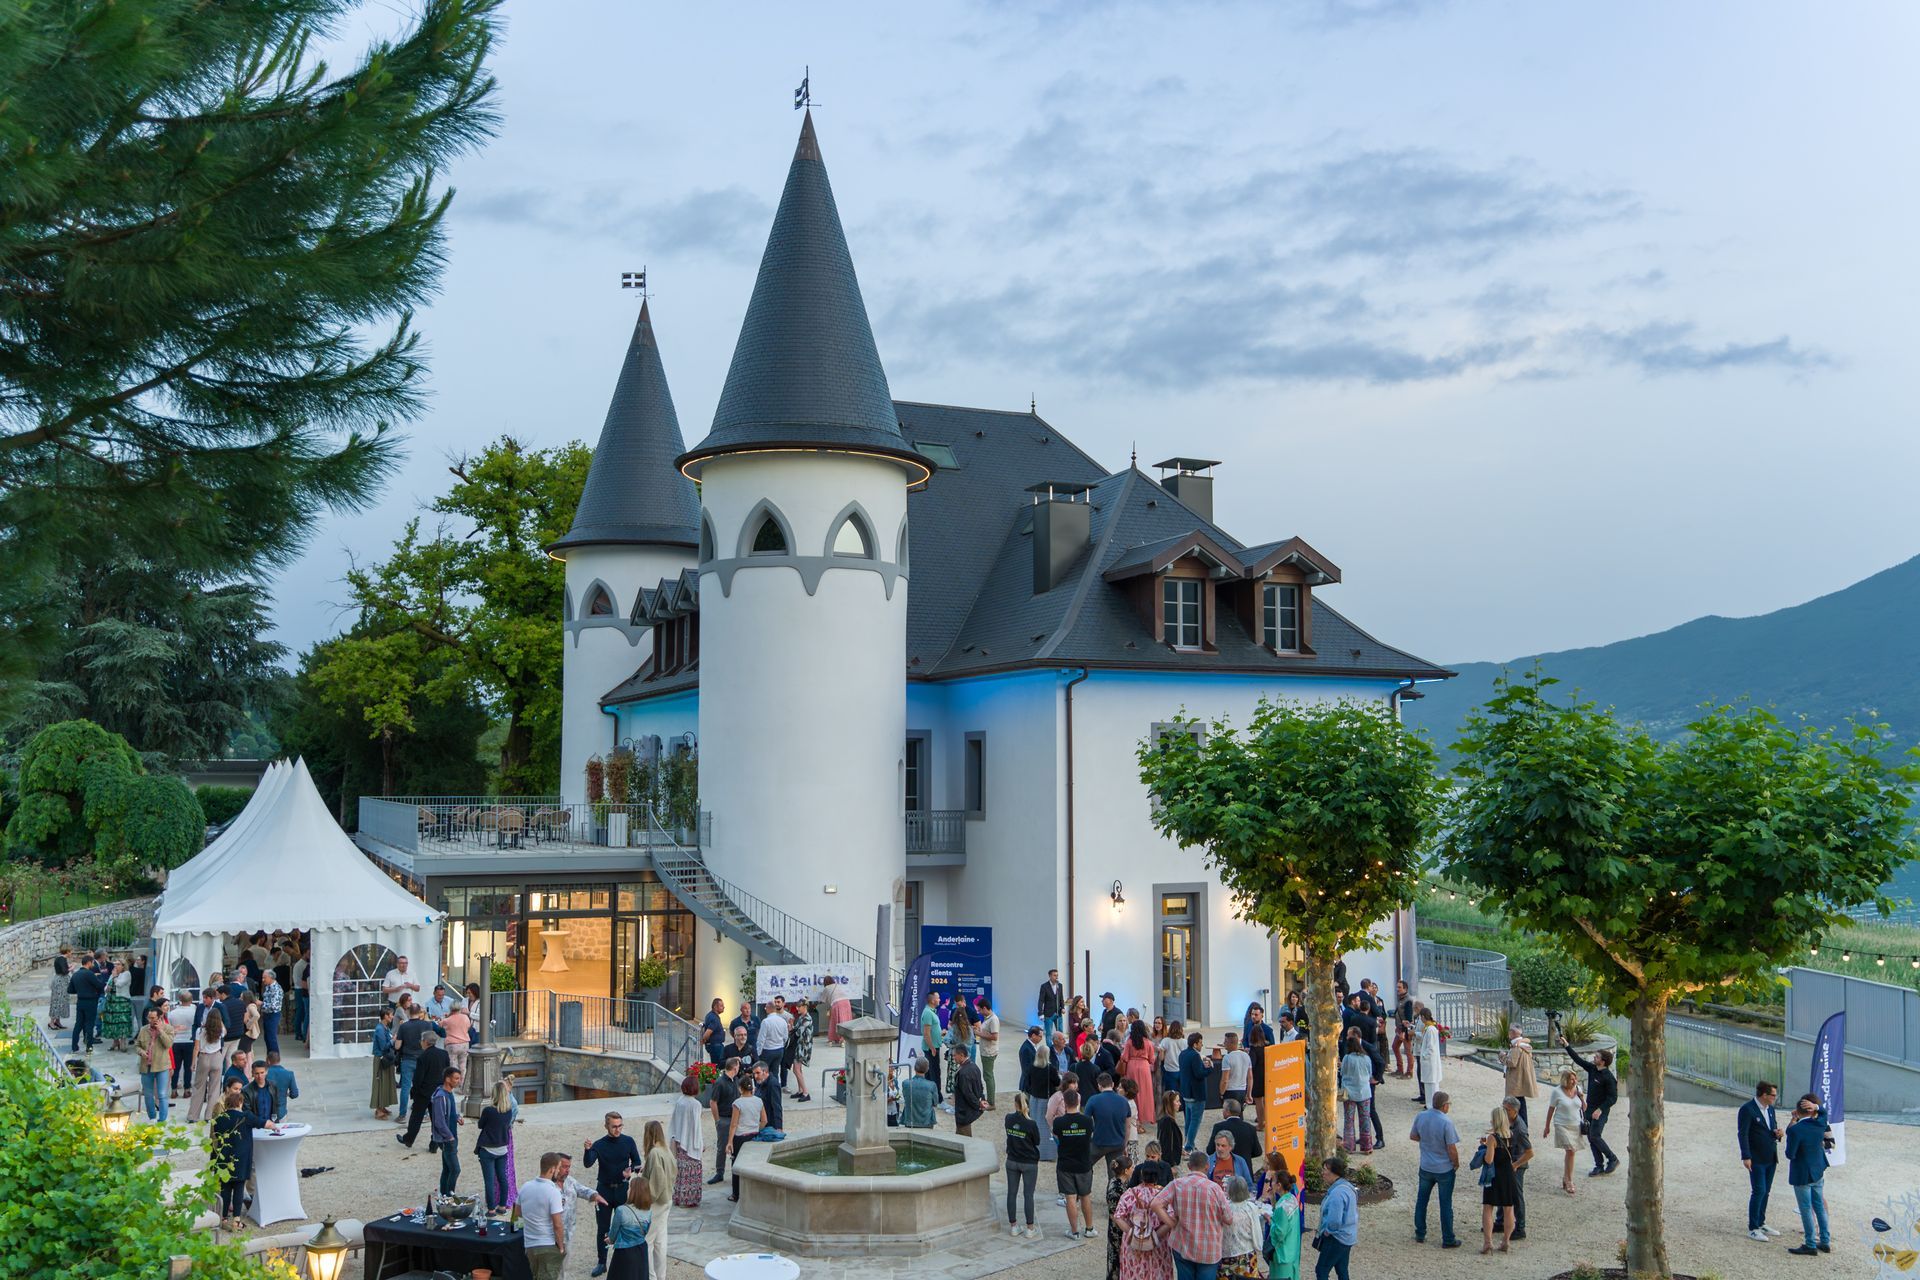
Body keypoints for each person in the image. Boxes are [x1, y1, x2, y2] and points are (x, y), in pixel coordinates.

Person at [520, 1151, 609, 1280]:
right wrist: (560, 1245)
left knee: (561, 1270)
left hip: (567, 1235)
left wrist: (595, 1195)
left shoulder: (570, 1182)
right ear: (554, 1167)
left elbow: (582, 1190)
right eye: (564, 1167)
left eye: (569, 1167)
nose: (567, 1170)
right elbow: (555, 1223)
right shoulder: (547, 1188)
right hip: (551, 1239)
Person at [1153, 1149, 1234, 1279]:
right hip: (1208, 1249)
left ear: (1189, 1166)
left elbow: (1155, 1204)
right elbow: (1229, 1219)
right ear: (1207, 1166)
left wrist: (1171, 1223)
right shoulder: (1215, 1189)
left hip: (1182, 1245)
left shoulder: (1177, 1184)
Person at [209, 1089, 276, 1230]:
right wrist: (274, 1127)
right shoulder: (246, 1117)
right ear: (240, 1103)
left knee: (225, 1189)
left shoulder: (219, 1119)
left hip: (223, 1158)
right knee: (239, 1189)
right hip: (240, 1159)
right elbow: (265, 1123)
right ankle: (237, 1220)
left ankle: (224, 1218)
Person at [584, 1111, 641, 1277]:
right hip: (604, 1190)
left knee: (625, 1226)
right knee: (603, 1228)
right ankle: (602, 1262)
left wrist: (631, 1171)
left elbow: (637, 1161)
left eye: (620, 1126)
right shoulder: (599, 1145)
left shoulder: (628, 1141)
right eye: (614, 1126)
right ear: (606, 1126)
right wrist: (587, 1150)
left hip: (623, 1189)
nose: (617, 1129)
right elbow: (588, 1164)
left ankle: (624, 1260)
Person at [1409, 1090, 1462, 1248]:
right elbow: (1451, 1148)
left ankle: (1420, 1233)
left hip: (1426, 1165)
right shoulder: (1446, 1122)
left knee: (1422, 1200)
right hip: (1444, 1168)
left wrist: (1425, 1141)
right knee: (1445, 1204)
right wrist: (1456, 1163)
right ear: (1445, 1106)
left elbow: (1413, 1136)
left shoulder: (1421, 1116)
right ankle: (1448, 1238)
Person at [1783, 1092, 1832, 1256]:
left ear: (1797, 1112)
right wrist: (1817, 1108)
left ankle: (1810, 1244)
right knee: (1819, 1207)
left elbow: (1790, 1154)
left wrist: (1793, 1121)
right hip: (1818, 1171)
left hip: (1802, 1174)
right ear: (1811, 1110)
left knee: (1806, 1209)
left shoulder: (1796, 1130)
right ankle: (1825, 1241)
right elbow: (1824, 1113)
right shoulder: (1820, 1123)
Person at [1563, 1038, 1620, 1176]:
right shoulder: (1593, 1069)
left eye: (1597, 1057)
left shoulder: (1609, 1077)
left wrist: (1600, 1110)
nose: (1594, 1057)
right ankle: (1599, 1166)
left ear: (1603, 1061)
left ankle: (1612, 1159)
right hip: (1589, 1110)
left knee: (1595, 1135)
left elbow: (1613, 1098)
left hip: (1601, 1111)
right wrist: (1567, 1046)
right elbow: (1578, 1060)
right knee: (1590, 1136)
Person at [1737, 1079, 1784, 1241]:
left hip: (1770, 1156)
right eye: (1773, 1095)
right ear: (1764, 1095)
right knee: (1759, 1190)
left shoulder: (1770, 1109)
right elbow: (1742, 1134)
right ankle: (1753, 1227)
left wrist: (1777, 1133)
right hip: (1756, 1158)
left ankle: (1761, 1221)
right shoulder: (1747, 1109)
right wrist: (1746, 1156)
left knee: (1766, 1191)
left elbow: (1770, 1128)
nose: (1775, 1098)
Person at [1471, 1104, 1519, 1253]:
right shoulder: (1511, 1135)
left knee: (1488, 1207)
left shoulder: (1493, 1137)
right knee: (1508, 1209)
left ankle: (1488, 1242)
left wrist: (1484, 1147)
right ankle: (1506, 1241)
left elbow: (1489, 1159)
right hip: (1509, 1175)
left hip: (1494, 1176)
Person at [1115, 1161, 1174, 1280]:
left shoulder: (1130, 1194)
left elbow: (1118, 1217)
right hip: (1158, 1244)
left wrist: (1133, 1233)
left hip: (1133, 1245)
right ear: (1157, 1176)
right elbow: (1170, 1220)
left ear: (1142, 1175)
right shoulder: (1164, 1195)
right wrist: (1153, 1237)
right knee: (1157, 1273)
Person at [1053, 1088, 1098, 1240]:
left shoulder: (1058, 1122)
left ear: (1064, 1103)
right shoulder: (1087, 1121)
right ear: (1078, 1102)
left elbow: (1056, 1138)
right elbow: (1091, 1136)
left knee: (1070, 1198)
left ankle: (1074, 1231)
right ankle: (1089, 1228)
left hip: (1066, 1164)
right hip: (1084, 1163)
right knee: (1086, 1196)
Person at [1491, 1095, 1532, 1241]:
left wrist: (1515, 1165)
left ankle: (1520, 1228)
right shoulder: (1507, 1121)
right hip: (1509, 1162)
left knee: (1516, 1195)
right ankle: (1500, 1222)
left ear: (1514, 1111)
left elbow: (1530, 1152)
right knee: (1504, 1192)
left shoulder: (1520, 1129)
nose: (1503, 1111)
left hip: (1516, 1165)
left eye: (1506, 1109)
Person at [399, 1030, 450, 1148]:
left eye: (422, 1040)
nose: (420, 1043)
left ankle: (409, 1139)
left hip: (424, 1092)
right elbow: (447, 1071)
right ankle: (435, 1142)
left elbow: (418, 1078)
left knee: (416, 1117)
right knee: (437, 1118)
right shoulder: (443, 1054)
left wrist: (415, 1091)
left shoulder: (423, 1056)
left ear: (426, 1042)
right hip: (439, 1090)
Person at [1542, 1068, 1586, 1195]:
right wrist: (1547, 1126)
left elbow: (1583, 1108)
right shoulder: (1557, 1091)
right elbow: (1551, 1109)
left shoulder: (1578, 1089)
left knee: (1571, 1153)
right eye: (1571, 1079)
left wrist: (1582, 1098)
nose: (1574, 1081)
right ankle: (1569, 1180)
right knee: (1570, 1151)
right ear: (1565, 1080)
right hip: (1561, 1124)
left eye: (1575, 1078)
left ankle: (1565, 1178)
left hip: (1575, 1124)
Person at [1313, 1155, 1357, 1280]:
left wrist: (1327, 1232)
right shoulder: (1348, 1187)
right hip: (1347, 1236)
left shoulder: (1337, 1194)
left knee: (1321, 1269)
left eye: (1325, 1170)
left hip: (1336, 1238)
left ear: (1334, 1173)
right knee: (1342, 1270)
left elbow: (1334, 1221)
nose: (1322, 1173)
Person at [476, 1080, 516, 1215]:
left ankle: (491, 1209)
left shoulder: (488, 1110)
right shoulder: (509, 1111)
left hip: (487, 1149)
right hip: (502, 1149)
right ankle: (502, 1207)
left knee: (489, 1180)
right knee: (502, 1178)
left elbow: (480, 1125)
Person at [640, 1118, 674, 1278]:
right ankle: (661, 1276)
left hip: (656, 1203)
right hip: (667, 1199)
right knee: (660, 1242)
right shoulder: (667, 1150)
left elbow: (657, 1182)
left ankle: (650, 1276)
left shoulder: (654, 1153)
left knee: (646, 1242)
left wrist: (645, 1198)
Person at [1005, 1092, 1042, 1237]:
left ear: (1015, 1104)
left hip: (1012, 1160)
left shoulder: (1008, 1118)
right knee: (1028, 1195)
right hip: (1029, 1162)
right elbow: (1037, 1141)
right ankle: (1030, 1228)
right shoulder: (1031, 1123)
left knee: (1011, 1193)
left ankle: (1013, 1226)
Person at [727, 1071, 766, 1202]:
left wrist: (729, 1141)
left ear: (740, 1088)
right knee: (753, 1164)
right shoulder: (759, 1101)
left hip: (740, 1136)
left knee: (736, 1164)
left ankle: (736, 1193)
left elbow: (734, 1124)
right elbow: (764, 1120)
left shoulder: (738, 1103)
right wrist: (756, 1129)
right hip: (754, 1135)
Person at [1218, 1175, 1268, 1279]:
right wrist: (1258, 1247)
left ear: (1229, 1191)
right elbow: (1257, 1232)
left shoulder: (1225, 1209)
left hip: (1226, 1255)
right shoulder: (1251, 1208)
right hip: (1247, 1254)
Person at [1085, 1071, 1133, 1179]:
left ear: (1099, 1086)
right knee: (1115, 1173)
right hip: (1117, 1143)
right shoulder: (1124, 1102)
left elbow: (1086, 1122)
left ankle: (1084, 1191)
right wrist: (1124, 1144)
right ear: (1112, 1085)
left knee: (1085, 1164)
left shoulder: (1093, 1100)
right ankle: (1114, 1194)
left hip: (1099, 1142)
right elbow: (1128, 1126)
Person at [668, 1072, 705, 1208]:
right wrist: (700, 1143)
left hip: (679, 1140)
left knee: (681, 1171)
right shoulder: (695, 1104)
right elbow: (696, 1127)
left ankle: (679, 1197)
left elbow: (675, 1121)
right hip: (690, 1142)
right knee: (692, 1172)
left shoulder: (680, 1101)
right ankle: (690, 1199)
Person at [606, 1178, 652, 1280]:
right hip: (641, 1250)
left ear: (633, 1192)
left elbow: (613, 1233)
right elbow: (646, 1231)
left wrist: (610, 1239)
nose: (627, 1190)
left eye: (629, 1188)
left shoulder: (621, 1210)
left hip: (624, 1252)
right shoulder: (649, 1211)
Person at [707, 1055, 742, 1185]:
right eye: (738, 1066)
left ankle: (735, 1171)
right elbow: (713, 1102)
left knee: (736, 1145)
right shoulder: (720, 1082)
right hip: (724, 1118)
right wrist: (717, 1120)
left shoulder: (736, 1080)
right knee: (722, 1147)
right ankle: (719, 1172)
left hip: (735, 1118)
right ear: (734, 1067)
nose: (739, 1068)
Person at [134, 1006, 173, 1123]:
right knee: (148, 1094)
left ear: (159, 1017)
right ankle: (152, 1118)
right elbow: (137, 1045)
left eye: (153, 1018)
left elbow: (168, 1044)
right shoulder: (143, 1029)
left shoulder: (168, 1028)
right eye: (149, 1018)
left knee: (162, 1094)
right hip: (146, 1066)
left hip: (162, 1066)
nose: (150, 1020)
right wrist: (141, 1052)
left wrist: (160, 1031)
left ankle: (162, 1120)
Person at [429, 1067, 465, 1195]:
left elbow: (449, 1113)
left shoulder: (448, 1093)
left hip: (450, 1137)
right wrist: (450, 1137)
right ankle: (449, 1196)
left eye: (459, 1078)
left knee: (447, 1169)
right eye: (456, 1078)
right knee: (455, 1170)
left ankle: (444, 1196)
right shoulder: (440, 1097)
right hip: (447, 1139)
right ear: (447, 1079)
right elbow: (439, 1121)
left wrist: (457, 1118)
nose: (458, 1081)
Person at [1177, 1032, 1214, 1155]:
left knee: (1188, 1120)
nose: (1202, 1045)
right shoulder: (1194, 1056)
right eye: (1200, 1042)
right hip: (1196, 1094)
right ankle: (1189, 1147)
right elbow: (1199, 1074)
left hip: (1186, 1092)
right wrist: (1209, 1068)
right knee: (1195, 1121)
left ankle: (1188, 1143)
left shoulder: (1183, 1054)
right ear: (1195, 1043)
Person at [1338, 1029, 1374, 1154]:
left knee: (1349, 1120)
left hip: (1350, 1093)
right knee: (1365, 1119)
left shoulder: (1347, 1058)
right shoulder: (1366, 1058)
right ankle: (1367, 1146)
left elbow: (1343, 1072)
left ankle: (1349, 1146)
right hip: (1364, 1092)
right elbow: (1370, 1074)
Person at [1265, 1161, 1302, 1280]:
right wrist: (1272, 1200)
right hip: (1292, 1250)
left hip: (1282, 1254)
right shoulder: (1291, 1199)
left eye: (1273, 1181)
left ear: (1279, 1185)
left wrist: (1270, 1221)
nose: (1271, 1184)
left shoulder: (1282, 1207)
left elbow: (1279, 1233)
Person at [188, 1009, 227, 1122]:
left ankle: (193, 1116)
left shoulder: (200, 1030)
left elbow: (196, 1048)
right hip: (217, 1057)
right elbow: (225, 1031)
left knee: (199, 1087)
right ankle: (210, 1115)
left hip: (204, 1057)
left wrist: (193, 1062)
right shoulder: (221, 1030)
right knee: (214, 1088)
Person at [1105, 1148, 1138, 1279]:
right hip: (1117, 1230)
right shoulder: (1116, 1188)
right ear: (1125, 1171)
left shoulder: (1122, 1183)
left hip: (1121, 1226)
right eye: (1131, 1167)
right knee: (1116, 1257)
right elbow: (1113, 1213)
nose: (1133, 1169)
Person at [1501, 1025, 1538, 1128]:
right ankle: (1523, 1125)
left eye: (1509, 1032)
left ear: (1512, 1033)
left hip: (1515, 1080)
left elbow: (1511, 1062)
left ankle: (1517, 1126)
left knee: (1513, 1104)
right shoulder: (1523, 1044)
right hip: (1520, 1079)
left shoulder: (1516, 1047)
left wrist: (1502, 1056)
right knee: (1520, 1103)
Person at [1208, 1098, 1262, 1166]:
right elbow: (1258, 1152)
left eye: (1223, 1109)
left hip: (1225, 1169)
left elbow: (1210, 1150)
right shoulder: (1250, 1128)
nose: (1222, 1111)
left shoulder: (1219, 1127)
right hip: (1245, 1169)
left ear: (1227, 1111)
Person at [69, 952, 105, 1053]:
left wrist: (80, 990)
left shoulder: (76, 974)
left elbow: (70, 990)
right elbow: (100, 985)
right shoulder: (89, 974)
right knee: (89, 1024)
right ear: (89, 963)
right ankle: (89, 1047)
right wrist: (97, 978)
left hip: (80, 1001)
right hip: (91, 1002)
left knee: (78, 1024)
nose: (93, 965)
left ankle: (74, 1046)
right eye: (92, 963)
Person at [167, 989, 197, 1099]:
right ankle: (187, 1089)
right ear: (191, 1000)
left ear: (180, 999)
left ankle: (174, 1089)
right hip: (189, 1040)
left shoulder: (173, 1013)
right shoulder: (194, 1012)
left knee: (176, 1066)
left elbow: (170, 1027)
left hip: (176, 1041)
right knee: (188, 1067)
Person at [369, 1006, 398, 1120]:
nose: (393, 1017)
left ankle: (383, 1105)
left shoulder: (385, 1027)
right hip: (381, 1059)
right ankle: (378, 1109)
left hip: (386, 1059)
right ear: (385, 1016)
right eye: (391, 1015)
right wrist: (393, 1040)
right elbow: (383, 1046)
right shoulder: (380, 1029)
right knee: (381, 1082)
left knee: (386, 1083)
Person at [952, 1044, 987, 1136]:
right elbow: (980, 1086)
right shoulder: (974, 1066)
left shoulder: (963, 1073)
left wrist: (978, 1104)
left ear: (962, 1055)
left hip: (964, 1111)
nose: (953, 1057)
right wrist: (981, 1099)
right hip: (969, 1109)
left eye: (955, 1055)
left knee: (964, 1137)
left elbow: (967, 1093)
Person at [98, 960, 133, 1052]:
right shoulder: (112, 974)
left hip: (121, 1002)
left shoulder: (126, 974)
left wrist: (114, 977)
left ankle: (123, 1041)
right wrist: (108, 986)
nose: (115, 966)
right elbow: (106, 987)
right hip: (111, 1001)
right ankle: (115, 1041)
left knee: (122, 1021)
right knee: (112, 1022)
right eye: (114, 964)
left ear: (123, 965)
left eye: (118, 964)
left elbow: (119, 984)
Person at [919, 991, 944, 1103]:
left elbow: (932, 1031)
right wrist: (932, 1048)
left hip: (933, 1047)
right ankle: (937, 1098)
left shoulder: (932, 1012)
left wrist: (940, 1033)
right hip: (931, 1049)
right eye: (938, 998)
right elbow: (926, 1033)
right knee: (935, 1074)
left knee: (931, 1073)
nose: (939, 1000)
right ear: (933, 1000)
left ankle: (932, 1098)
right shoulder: (928, 1013)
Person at [785, 998, 813, 1101]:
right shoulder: (802, 1017)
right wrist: (791, 1026)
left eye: (799, 1006)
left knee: (796, 1069)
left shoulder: (807, 1019)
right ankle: (801, 1090)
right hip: (799, 1046)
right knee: (798, 1069)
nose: (797, 1008)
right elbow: (794, 1029)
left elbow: (798, 1032)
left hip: (803, 1047)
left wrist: (792, 1030)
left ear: (804, 1007)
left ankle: (806, 1092)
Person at [1415, 1007, 1443, 1106]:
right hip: (1429, 1062)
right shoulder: (1429, 1028)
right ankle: (1430, 1104)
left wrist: (1423, 1056)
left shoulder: (1430, 1029)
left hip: (1430, 1061)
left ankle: (1431, 1105)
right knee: (1429, 1085)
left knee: (1432, 1085)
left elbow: (1430, 1047)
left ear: (1423, 1017)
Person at [977, 996, 1002, 1107]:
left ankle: (991, 1102)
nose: (980, 1012)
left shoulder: (993, 1020)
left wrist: (978, 1033)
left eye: (980, 1010)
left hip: (989, 1052)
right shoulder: (988, 1019)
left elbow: (994, 1036)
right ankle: (990, 1100)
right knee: (987, 1075)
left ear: (985, 1008)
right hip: (985, 1051)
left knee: (988, 1076)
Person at [902, 1056, 938, 1128]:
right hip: (926, 1122)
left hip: (910, 1121)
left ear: (915, 1068)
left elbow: (906, 1098)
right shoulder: (932, 1085)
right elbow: (935, 1103)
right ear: (927, 1069)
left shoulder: (905, 1083)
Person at [441, 998, 472, 1078]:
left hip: (452, 1044)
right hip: (464, 1044)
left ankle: (454, 1086)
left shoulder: (447, 1020)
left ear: (451, 1009)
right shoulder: (465, 1017)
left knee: (453, 1066)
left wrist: (448, 1015)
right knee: (463, 1066)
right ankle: (462, 1085)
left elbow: (440, 1025)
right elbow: (468, 1027)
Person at [263, 1051, 298, 1122]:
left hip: (265, 1112)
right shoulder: (289, 1074)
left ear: (268, 1061)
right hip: (281, 1112)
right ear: (279, 1060)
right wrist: (287, 1094)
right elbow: (294, 1094)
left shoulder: (263, 1074)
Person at [258, 967, 283, 1059]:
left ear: (271, 977)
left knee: (271, 1038)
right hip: (267, 1014)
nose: (263, 980)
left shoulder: (276, 989)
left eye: (265, 977)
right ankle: (270, 1057)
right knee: (267, 1037)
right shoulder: (268, 987)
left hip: (273, 1015)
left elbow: (274, 1006)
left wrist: (261, 1004)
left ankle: (275, 1058)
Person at [1392, 980, 1415, 1078]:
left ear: (1405, 989)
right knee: (1394, 1046)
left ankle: (1409, 1072)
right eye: (1397, 987)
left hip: (1404, 1031)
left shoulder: (1408, 1001)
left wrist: (1404, 1032)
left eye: (1399, 987)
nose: (1397, 989)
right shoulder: (1401, 998)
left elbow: (1408, 1019)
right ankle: (1400, 1069)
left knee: (1408, 1051)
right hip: (1399, 1029)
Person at [1038, 969, 1066, 1044]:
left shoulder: (1059, 985)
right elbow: (1041, 1000)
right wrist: (1040, 1013)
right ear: (1050, 976)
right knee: (1049, 1033)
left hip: (1058, 1012)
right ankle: (1050, 1050)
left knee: (1060, 1031)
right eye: (1054, 975)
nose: (1056, 977)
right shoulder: (1044, 986)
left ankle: (1060, 1046)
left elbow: (1061, 998)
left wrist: (1063, 1007)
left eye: (1057, 975)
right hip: (1048, 1014)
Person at [824, 976, 855, 1044]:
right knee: (846, 1020)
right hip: (846, 1002)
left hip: (837, 1003)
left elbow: (824, 1000)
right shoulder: (838, 985)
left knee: (835, 1021)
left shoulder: (826, 988)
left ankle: (835, 1038)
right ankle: (846, 1038)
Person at [48, 946, 72, 1031]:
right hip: (60, 982)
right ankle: (51, 1022)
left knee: (60, 1001)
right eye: (70, 951)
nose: (71, 953)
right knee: (57, 1001)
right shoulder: (62, 959)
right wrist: (71, 968)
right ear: (67, 952)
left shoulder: (59, 958)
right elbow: (64, 971)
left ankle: (57, 1021)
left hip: (60, 981)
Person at [700, 997, 727, 1065]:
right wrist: (703, 1040)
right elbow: (708, 1032)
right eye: (721, 1005)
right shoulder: (714, 1018)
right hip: (715, 1046)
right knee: (718, 1065)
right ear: (715, 1007)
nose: (723, 1007)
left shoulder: (710, 1015)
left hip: (714, 1045)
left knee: (716, 1064)